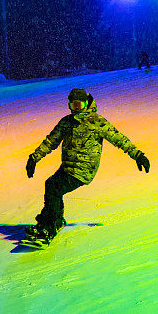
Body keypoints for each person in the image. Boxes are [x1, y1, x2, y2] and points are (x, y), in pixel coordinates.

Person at [24, 88, 150, 242]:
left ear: (87, 104)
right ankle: (52, 220)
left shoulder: (97, 122)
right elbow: (51, 141)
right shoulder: (66, 122)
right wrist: (34, 158)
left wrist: (138, 156)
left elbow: (119, 139)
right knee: (51, 185)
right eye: (73, 105)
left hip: (83, 169)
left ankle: (49, 227)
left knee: (54, 187)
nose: (77, 109)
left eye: (80, 105)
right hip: (68, 167)